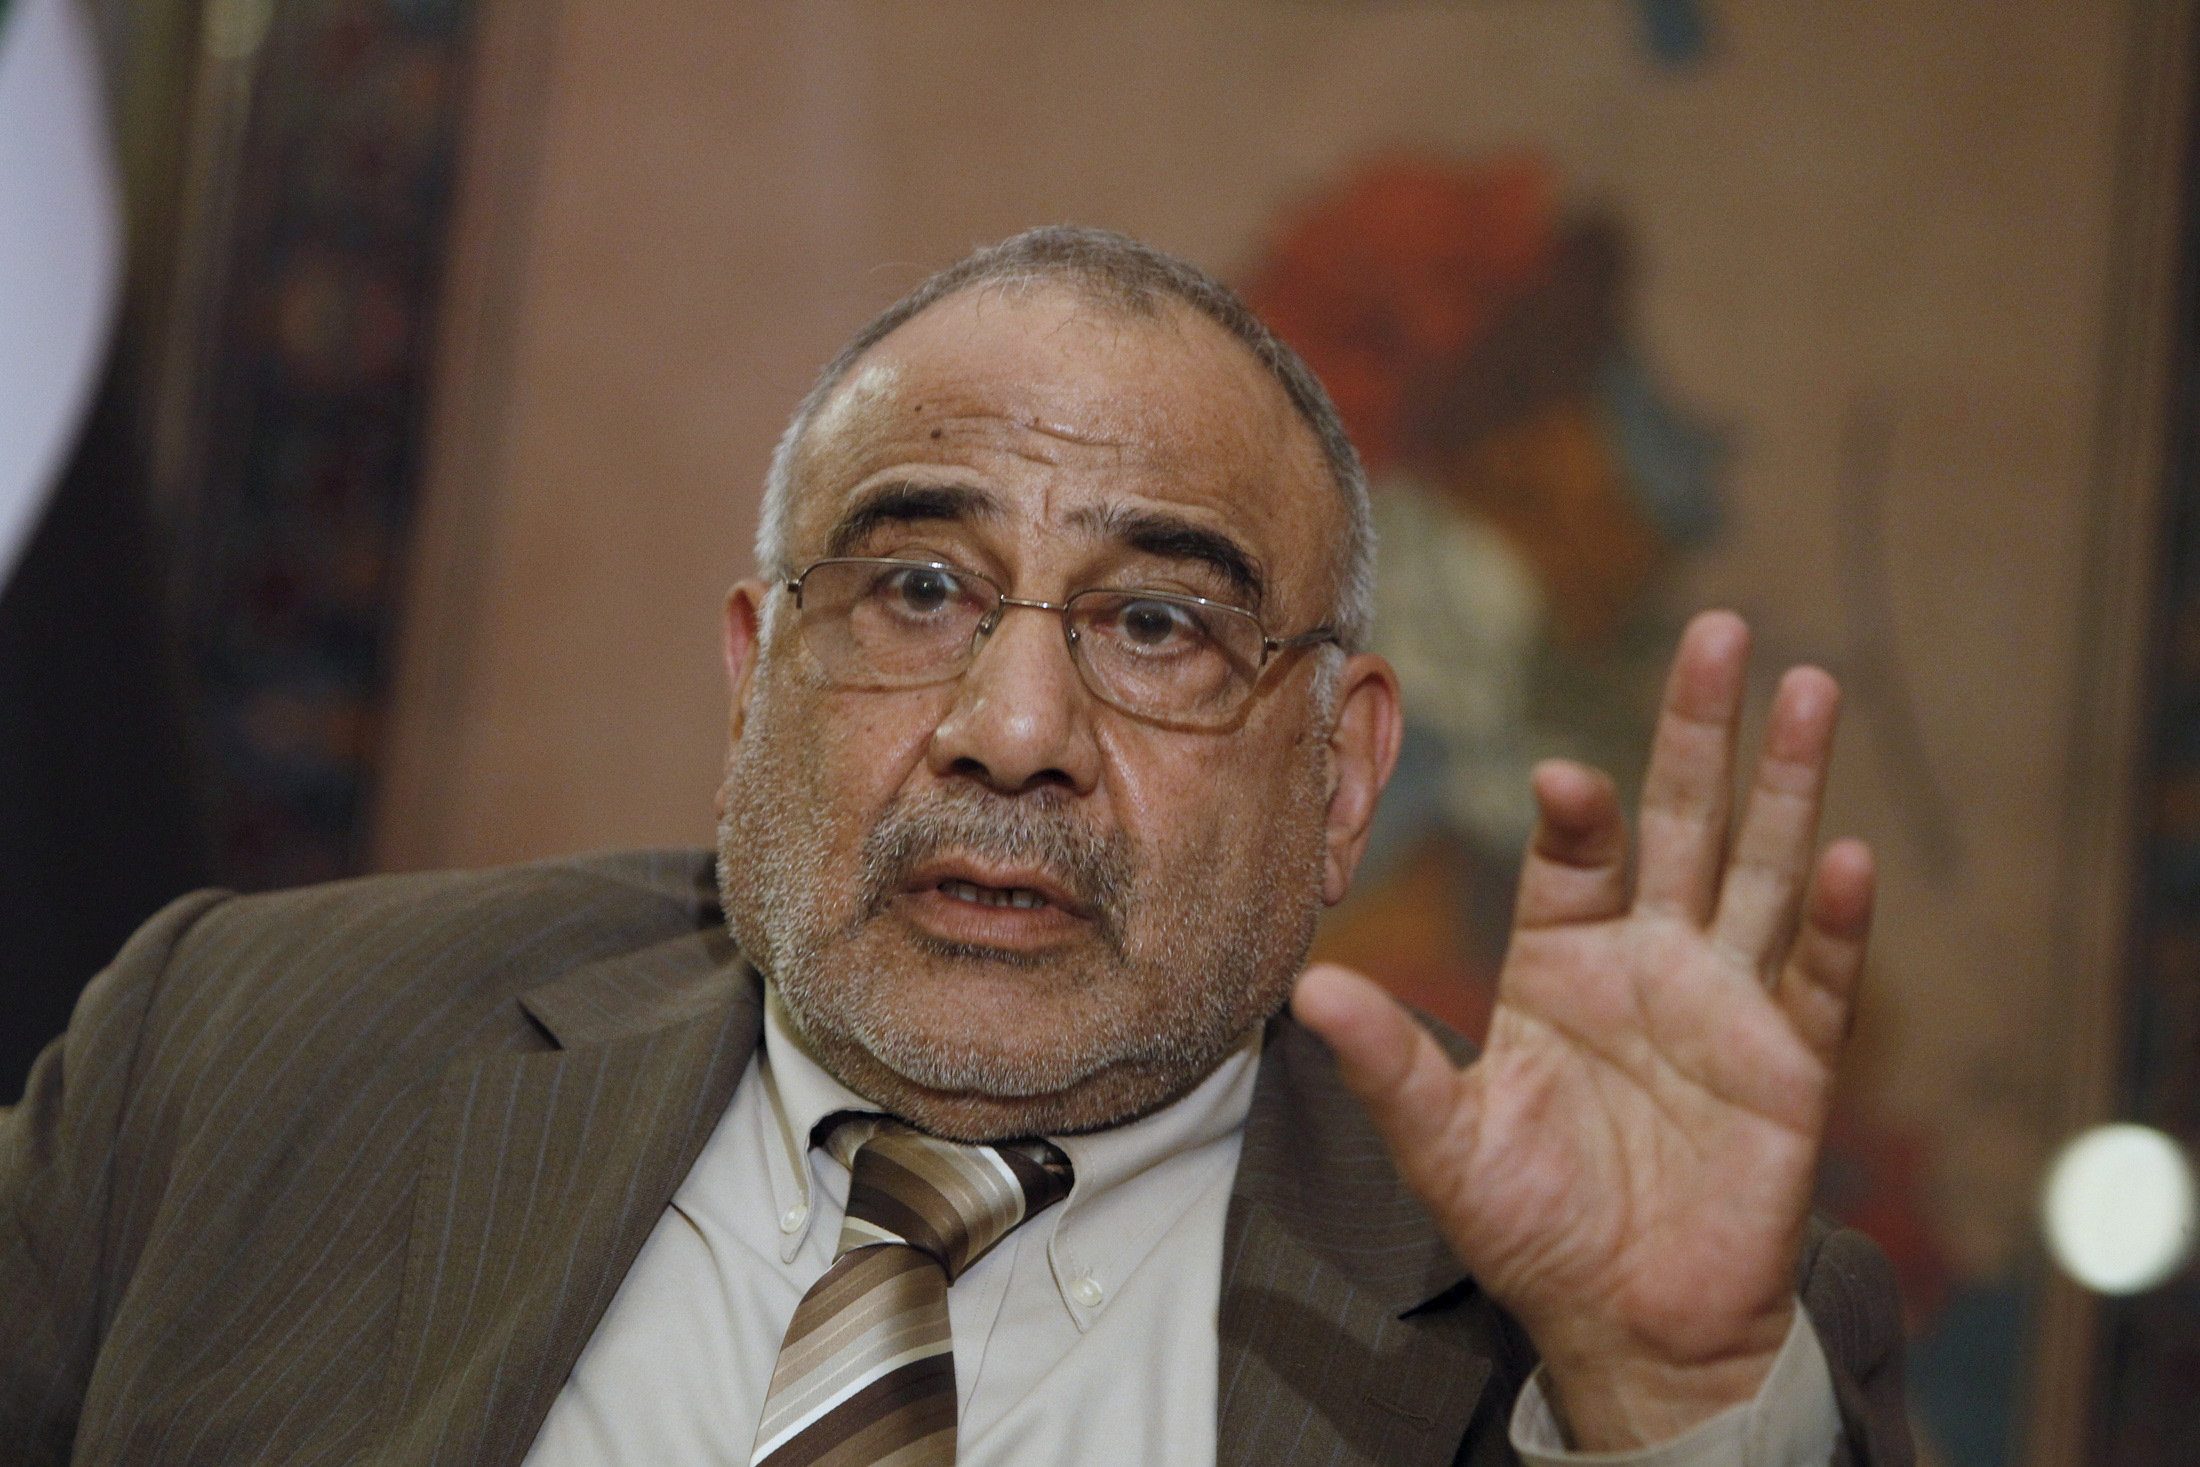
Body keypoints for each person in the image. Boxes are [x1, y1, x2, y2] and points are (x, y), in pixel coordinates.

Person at [0, 226, 1907, 1466]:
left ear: (1341, 776)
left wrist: (1666, 1418)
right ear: (755, 679)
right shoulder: (234, 1051)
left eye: (1156, 625)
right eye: (918, 590)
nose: (1014, 731)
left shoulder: (1604, 1329)